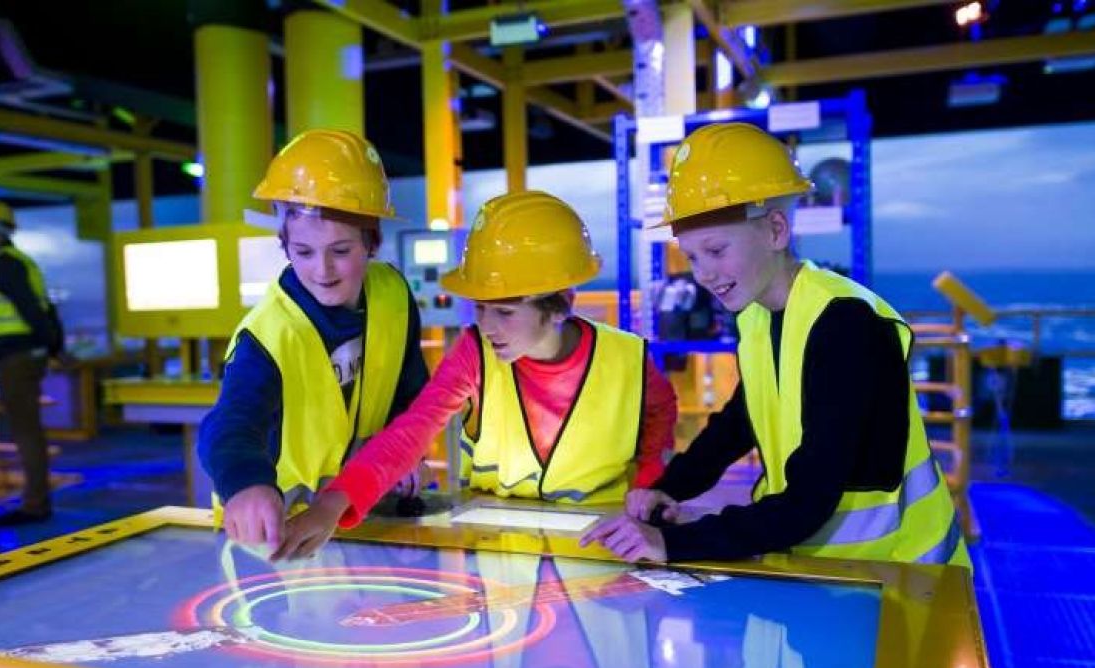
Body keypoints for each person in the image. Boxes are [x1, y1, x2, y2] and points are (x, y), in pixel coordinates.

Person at [583, 122, 967, 569]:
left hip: (898, 576)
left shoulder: (847, 325)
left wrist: (671, 543)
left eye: (716, 249)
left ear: (776, 231)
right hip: (820, 567)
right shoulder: (758, 315)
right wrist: (670, 487)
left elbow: (808, 501)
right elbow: (741, 420)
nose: (703, 274)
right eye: (691, 257)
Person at [280, 190, 679, 560]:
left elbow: (660, 415)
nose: (487, 325)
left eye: (504, 312)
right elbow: (413, 429)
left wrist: (649, 481)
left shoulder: (626, 357)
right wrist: (334, 503)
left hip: (601, 543)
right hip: (499, 548)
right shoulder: (475, 353)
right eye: (481, 307)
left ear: (561, 307)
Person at [198, 129, 429, 551]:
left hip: (362, 507)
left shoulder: (394, 294)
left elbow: (410, 393)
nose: (322, 270)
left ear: (372, 241)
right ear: (284, 244)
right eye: (303, 252)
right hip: (278, 528)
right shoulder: (267, 332)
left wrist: (406, 453)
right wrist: (245, 483)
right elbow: (229, 424)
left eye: (340, 250)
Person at [0, 200, 58, 527]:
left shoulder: (5, 265)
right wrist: (53, 347)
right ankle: (36, 500)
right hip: (25, 357)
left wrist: (49, 345)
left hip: (16, 359)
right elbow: (44, 309)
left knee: (26, 432)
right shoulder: (21, 262)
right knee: (29, 430)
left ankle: (35, 504)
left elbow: (31, 311)